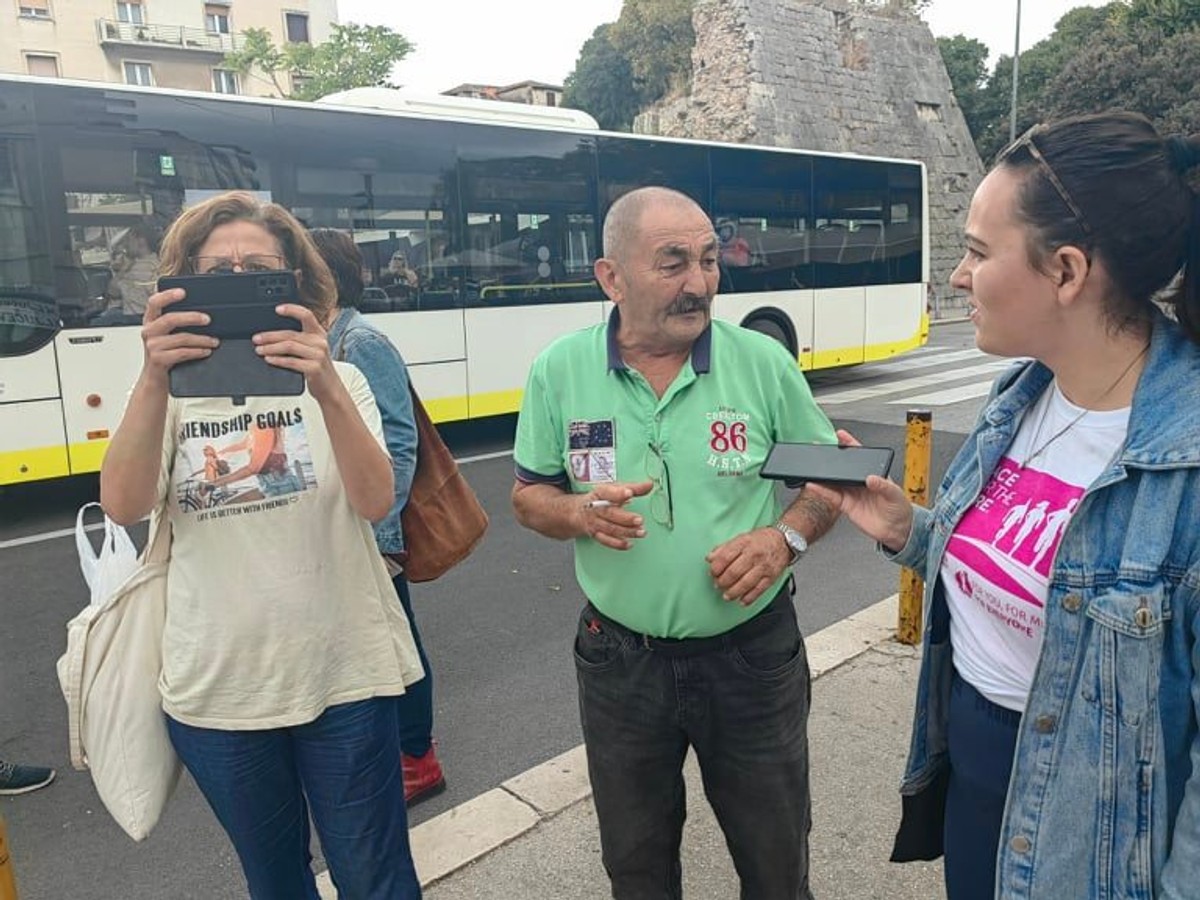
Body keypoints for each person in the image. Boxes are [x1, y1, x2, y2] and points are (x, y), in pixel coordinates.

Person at [809, 112, 1200, 899]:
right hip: (975, 777)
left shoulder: (1184, 464)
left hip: (1092, 834)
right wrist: (908, 531)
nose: (958, 275)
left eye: (980, 253)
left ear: (1065, 272)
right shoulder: (1021, 394)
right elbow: (1029, 575)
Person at [510, 186, 840, 899]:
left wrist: (784, 539)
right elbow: (529, 496)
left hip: (752, 660)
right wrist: (577, 515)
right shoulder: (558, 370)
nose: (699, 284)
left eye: (710, 260)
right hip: (619, 663)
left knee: (777, 861)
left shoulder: (762, 363)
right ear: (611, 277)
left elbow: (825, 485)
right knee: (636, 866)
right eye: (672, 263)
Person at [99, 191, 425, 900]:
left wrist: (326, 384)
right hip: (219, 694)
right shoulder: (164, 392)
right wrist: (154, 375)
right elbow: (123, 505)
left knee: (377, 879)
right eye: (221, 268)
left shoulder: (344, 378)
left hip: (346, 676)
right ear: (186, 281)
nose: (241, 278)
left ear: (294, 281)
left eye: (261, 267)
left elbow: (376, 502)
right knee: (276, 884)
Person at [308, 228, 445, 806]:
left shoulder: (359, 342)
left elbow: (399, 439)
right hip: (343, 526)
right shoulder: (319, 339)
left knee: (396, 641)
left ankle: (419, 758)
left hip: (372, 529)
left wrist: (384, 537)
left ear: (323, 279)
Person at [104, 224, 160, 317]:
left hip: (137, 319)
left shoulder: (146, 268)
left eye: (128, 241)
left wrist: (123, 270)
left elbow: (113, 292)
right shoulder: (157, 264)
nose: (125, 246)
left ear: (141, 240)